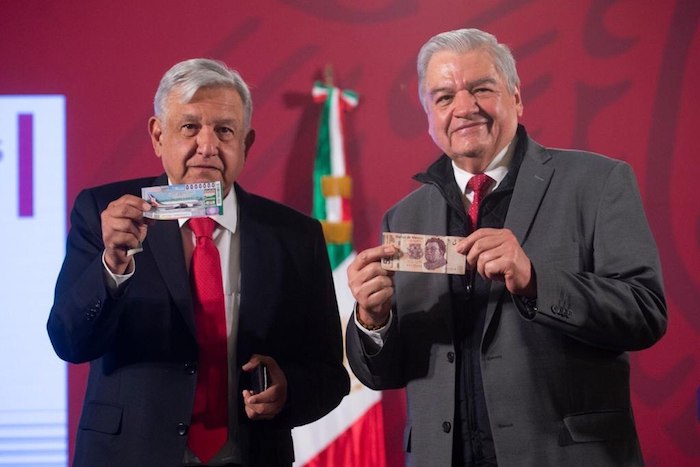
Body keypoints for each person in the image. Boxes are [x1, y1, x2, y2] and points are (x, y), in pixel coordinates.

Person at [345, 29, 667, 467]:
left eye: (481, 88)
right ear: (428, 115)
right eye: (444, 97)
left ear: (516, 98)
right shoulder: (402, 219)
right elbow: (385, 375)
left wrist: (536, 281)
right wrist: (373, 321)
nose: (464, 107)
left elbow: (645, 314)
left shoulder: (597, 183)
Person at [47, 58, 349, 467]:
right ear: (158, 136)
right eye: (189, 127)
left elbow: (330, 375)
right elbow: (69, 341)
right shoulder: (104, 213)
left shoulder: (296, 236)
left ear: (247, 143)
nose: (207, 146)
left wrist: (286, 390)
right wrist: (111, 266)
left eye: (224, 130)